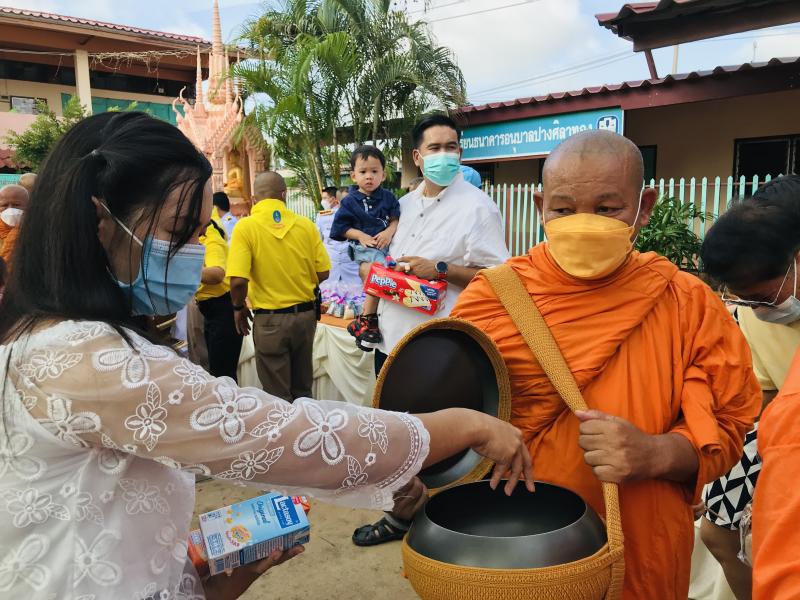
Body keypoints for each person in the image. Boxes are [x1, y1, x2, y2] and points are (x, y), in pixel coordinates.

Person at [0, 111, 534, 599]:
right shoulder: (83, 358)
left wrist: (202, 585)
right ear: (100, 222)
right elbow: (286, 436)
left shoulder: (51, 334)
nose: (191, 254)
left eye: (196, 235)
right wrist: (466, 425)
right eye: (175, 233)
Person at [387, 129, 761, 596]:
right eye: (563, 209)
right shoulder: (495, 297)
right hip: (515, 543)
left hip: (642, 536)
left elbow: (728, 420)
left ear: (643, 207)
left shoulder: (684, 302)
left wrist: (656, 453)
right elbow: (452, 412)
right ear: (540, 206)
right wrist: (417, 478)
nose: (584, 223)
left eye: (607, 209)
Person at [352, 114, 510, 546]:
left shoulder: (478, 207)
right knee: (393, 434)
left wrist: (439, 269)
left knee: (441, 443)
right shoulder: (400, 205)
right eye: (436, 148)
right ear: (418, 158)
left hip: (442, 349)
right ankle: (400, 516)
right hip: (392, 341)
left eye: (453, 146)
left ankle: (446, 524)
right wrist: (373, 285)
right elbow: (385, 265)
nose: (446, 155)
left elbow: (498, 279)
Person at [699, 175, 800, 599]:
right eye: (746, 301)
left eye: (764, 297)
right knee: (717, 532)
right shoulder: (757, 312)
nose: (758, 311)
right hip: (779, 432)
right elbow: (763, 399)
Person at [227, 172, 329, 401]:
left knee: (277, 396)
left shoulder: (246, 228)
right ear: (284, 195)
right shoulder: (306, 226)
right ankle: (307, 433)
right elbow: (323, 272)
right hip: (305, 317)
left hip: (270, 320)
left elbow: (238, 281)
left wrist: (238, 308)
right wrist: (297, 281)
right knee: (303, 390)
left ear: (254, 200)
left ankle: (285, 437)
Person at [330, 146, 400, 349]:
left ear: (383, 174)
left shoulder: (388, 197)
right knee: (378, 274)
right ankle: (367, 320)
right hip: (364, 248)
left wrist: (389, 231)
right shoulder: (350, 201)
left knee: (386, 277)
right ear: (353, 176)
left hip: (385, 247)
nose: (369, 177)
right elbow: (340, 228)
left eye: (374, 171)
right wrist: (360, 235)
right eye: (363, 172)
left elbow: (396, 219)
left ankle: (364, 326)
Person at [195, 219, 243, 381]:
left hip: (222, 309)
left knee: (223, 376)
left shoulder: (211, 241)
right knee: (218, 371)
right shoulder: (201, 239)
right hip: (212, 309)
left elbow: (217, 274)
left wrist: (184, 267)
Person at [316, 186, 360, 287]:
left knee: (355, 293)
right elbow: (318, 240)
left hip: (351, 261)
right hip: (331, 260)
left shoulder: (359, 215)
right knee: (329, 294)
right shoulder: (323, 216)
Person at [0, 183, 28, 265]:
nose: (10, 209)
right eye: (4, 205)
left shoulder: (36, 231)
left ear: (28, 206)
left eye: (16, 205)